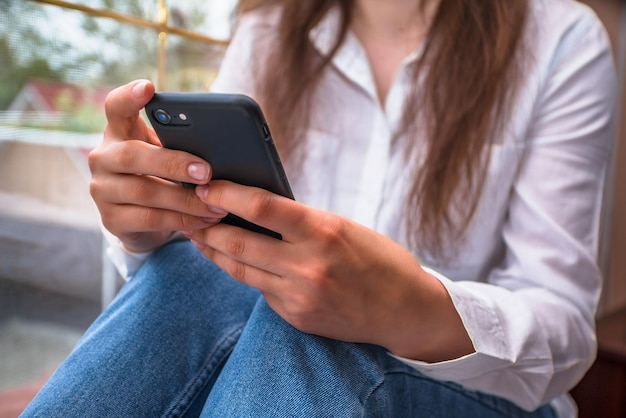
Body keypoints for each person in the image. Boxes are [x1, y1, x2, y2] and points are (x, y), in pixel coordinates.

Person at [22, 0, 616, 416]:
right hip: (270, 363)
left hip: (483, 399)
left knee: (310, 332)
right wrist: (150, 217)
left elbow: (564, 329)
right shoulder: (267, 31)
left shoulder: (561, 38)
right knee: (196, 276)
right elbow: (206, 248)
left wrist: (408, 309)